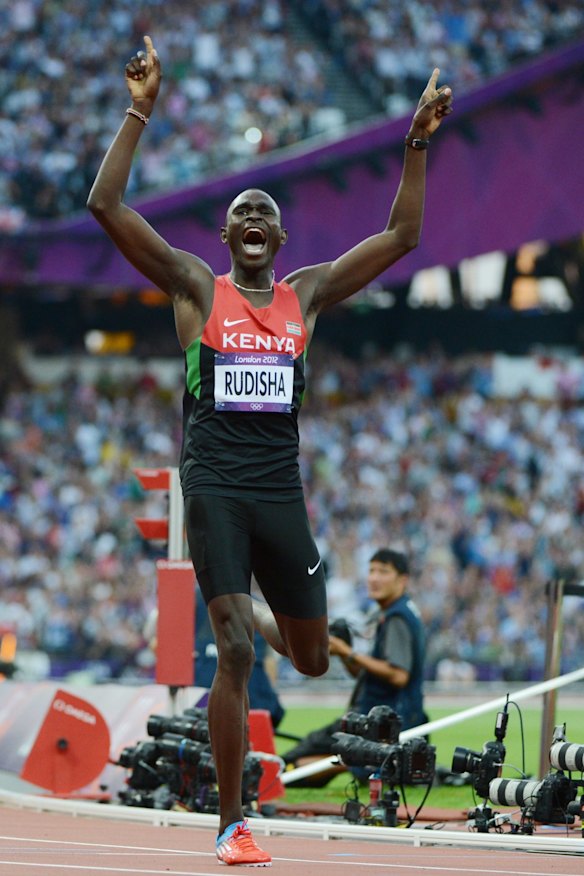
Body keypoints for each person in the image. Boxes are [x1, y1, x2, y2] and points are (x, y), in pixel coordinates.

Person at [87, 34, 452, 867]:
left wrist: (417, 141)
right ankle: (231, 821)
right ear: (224, 233)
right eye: (242, 214)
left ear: (280, 240)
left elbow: (401, 236)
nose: (254, 221)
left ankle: (248, 604)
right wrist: (140, 110)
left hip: (279, 494)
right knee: (238, 653)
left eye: (267, 215)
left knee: (317, 660)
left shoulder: (307, 295)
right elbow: (106, 206)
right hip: (213, 484)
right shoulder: (193, 287)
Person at [282, 549, 428, 782]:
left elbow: (399, 675)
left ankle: (333, 765)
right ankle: (342, 763)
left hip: (378, 723)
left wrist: (346, 651)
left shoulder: (397, 618)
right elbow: (367, 673)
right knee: (308, 753)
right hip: (382, 720)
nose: (374, 578)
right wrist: (345, 654)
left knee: (295, 762)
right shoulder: (396, 613)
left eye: (383, 571)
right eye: (371, 571)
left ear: (403, 580)